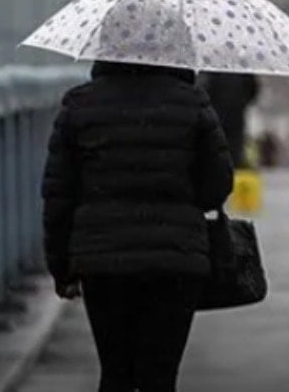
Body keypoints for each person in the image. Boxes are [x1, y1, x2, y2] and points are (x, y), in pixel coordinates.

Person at [42, 61, 235, 391]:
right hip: (176, 259)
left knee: (115, 371)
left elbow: (59, 195)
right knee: (159, 376)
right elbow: (217, 185)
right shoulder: (192, 103)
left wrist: (61, 268)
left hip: (103, 261)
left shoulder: (80, 104)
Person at [201, 72, 260, 170]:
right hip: (236, 119)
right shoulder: (243, 70)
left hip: (214, 118)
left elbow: (204, 90)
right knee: (233, 156)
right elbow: (253, 91)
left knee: (214, 154)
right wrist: (241, 101)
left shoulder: (211, 70)